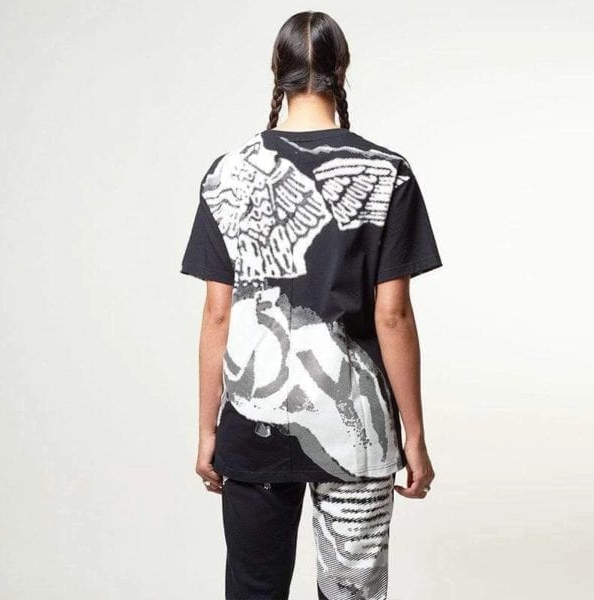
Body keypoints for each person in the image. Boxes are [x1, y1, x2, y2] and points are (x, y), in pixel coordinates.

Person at [180, 10, 443, 600]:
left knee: (254, 589)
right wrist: (415, 435)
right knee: (353, 594)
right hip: (359, 434)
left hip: (254, 423)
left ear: (277, 71)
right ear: (341, 69)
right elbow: (393, 315)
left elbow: (217, 313)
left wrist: (206, 430)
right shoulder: (387, 173)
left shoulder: (227, 174)